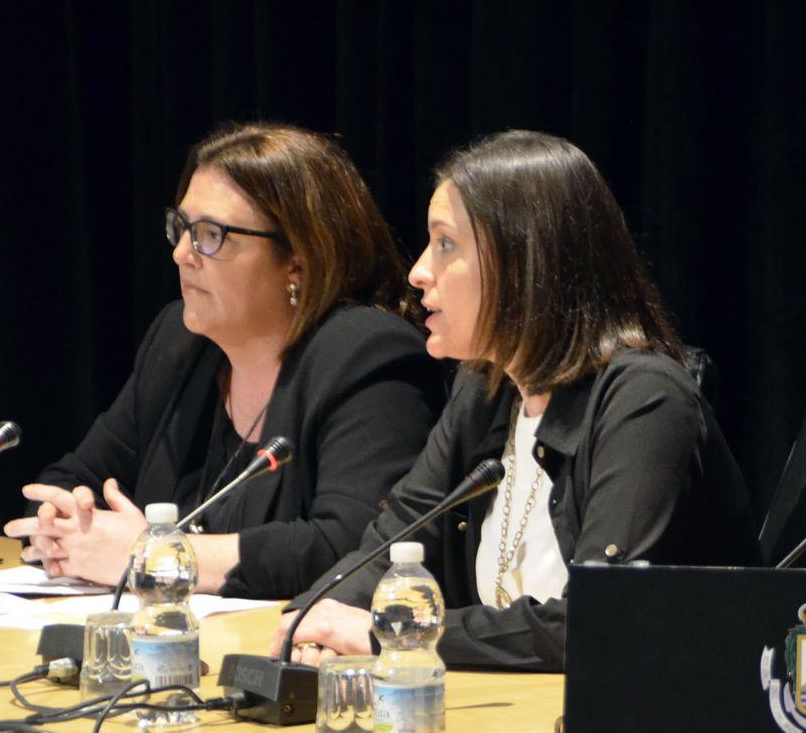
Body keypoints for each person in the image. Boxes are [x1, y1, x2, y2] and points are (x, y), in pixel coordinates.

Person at [274, 130, 758, 669]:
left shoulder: (644, 401)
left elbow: (598, 620)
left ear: (524, 260)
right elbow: (388, 546)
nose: (417, 272)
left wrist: (391, 631)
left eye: (446, 244)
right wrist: (309, 620)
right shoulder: (483, 393)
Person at [4, 123, 444, 599]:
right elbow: (73, 478)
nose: (180, 254)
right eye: (181, 227)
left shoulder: (366, 354)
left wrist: (155, 555)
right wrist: (62, 526)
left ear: (298, 259)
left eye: (210, 235)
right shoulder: (179, 344)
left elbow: (353, 545)